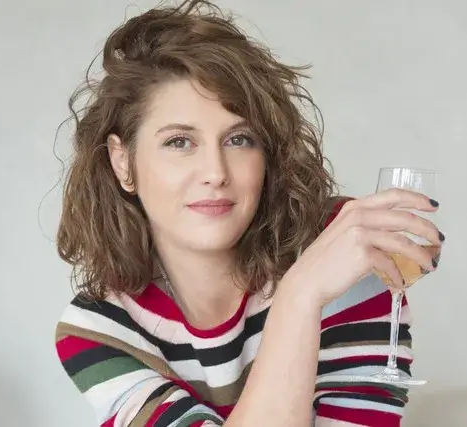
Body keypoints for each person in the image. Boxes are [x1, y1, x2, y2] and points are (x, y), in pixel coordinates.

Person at [53, 1, 442, 426]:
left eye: (239, 139)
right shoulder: (99, 329)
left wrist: (305, 286)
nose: (216, 173)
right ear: (122, 162)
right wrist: (299, 298)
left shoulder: (344, 252)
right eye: (179, 142)